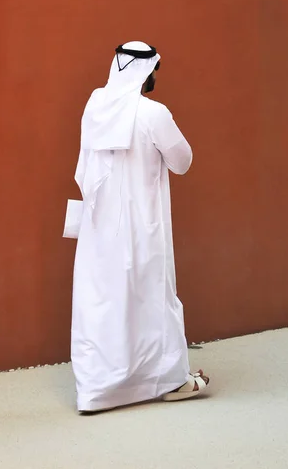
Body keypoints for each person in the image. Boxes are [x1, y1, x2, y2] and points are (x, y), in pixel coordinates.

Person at [70, 41, 209, 413]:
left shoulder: (94, 106)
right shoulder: (154, 113)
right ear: (147, 72)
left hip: (98, 228)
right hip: (141, 227)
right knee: (151, 299)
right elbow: (182, 161)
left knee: (101, 303)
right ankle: (171, 380)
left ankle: (95, 393)